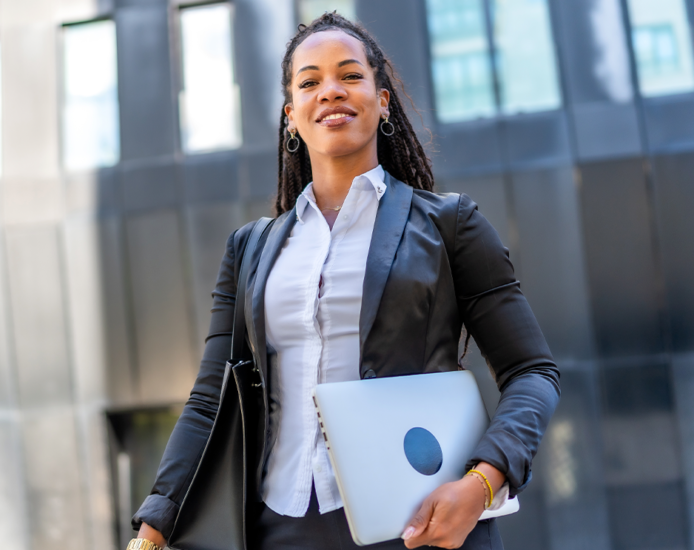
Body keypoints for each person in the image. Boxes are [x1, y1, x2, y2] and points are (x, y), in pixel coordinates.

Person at [128, 13, 560, 550]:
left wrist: (482, 482)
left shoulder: (451, 224)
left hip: (416, 525)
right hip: (277, 528)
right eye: (309, 82)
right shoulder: (251, 249)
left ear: (382, 101)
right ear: (292, 117)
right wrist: (153, 527)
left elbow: (533, 373)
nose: (330, 91)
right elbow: (208, 400)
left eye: (350, 76)